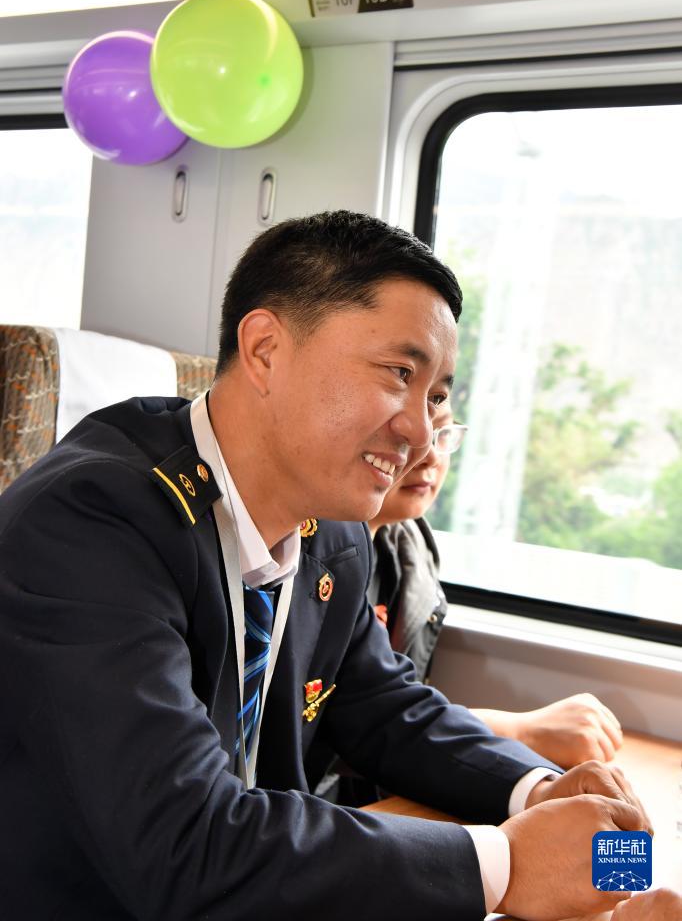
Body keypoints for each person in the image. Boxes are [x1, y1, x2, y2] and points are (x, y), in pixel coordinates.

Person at [0, 210, 650, 921]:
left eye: (436, 396)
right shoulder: (91, 525)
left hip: (261, 895)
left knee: (649, 897)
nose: (422, 430)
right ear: (266, 350)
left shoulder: (333, 529)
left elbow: (386, 708)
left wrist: (534, 789)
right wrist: (507, 864)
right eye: (399, 374)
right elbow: (187, 845)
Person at [369, 402, 624, 770]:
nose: (431, 458)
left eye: (442, 434)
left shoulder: (411, 548)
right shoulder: (317, 558)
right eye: (407, 436)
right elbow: (351, 728)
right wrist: (520, 731)